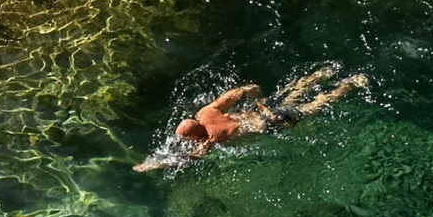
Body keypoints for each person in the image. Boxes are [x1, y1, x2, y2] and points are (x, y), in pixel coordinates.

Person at [134, 66, 368, 171]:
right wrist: (249, 89)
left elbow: (188, 159)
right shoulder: (205, 112)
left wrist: (155, 164)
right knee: (294, 91)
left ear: (195, 135)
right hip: (261, 108)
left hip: (272, 122)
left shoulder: (210, 140)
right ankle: (321, 74)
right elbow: (233, 95)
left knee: (317, 104)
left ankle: (349, 84)